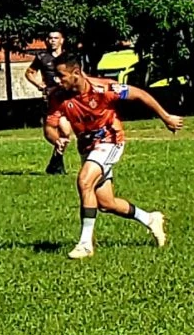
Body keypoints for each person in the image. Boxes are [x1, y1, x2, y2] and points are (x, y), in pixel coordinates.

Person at [46, 53, 183, 260]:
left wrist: (166, 117)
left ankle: (85, 244)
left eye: (61, 75)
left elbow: (140, 95)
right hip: (87, 148)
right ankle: (150, 219)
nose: (58, 80)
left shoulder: (103, 89)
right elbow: (49, 127)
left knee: (84, 181)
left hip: (110, 140)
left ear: (76, 73)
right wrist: (56, 139)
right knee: (105, 203)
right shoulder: (58, 96)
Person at [25, 29, 68, 175]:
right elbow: (29, 73)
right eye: (50, 38)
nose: (53, 40)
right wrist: (40, 85)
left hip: (67, 98)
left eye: (56, 38)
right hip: (51, 98)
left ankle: (56, 161)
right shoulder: (42, 57)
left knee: (65, 131)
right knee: (51, 130)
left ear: (62, 40)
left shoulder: (69, 57)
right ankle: (57, 162)